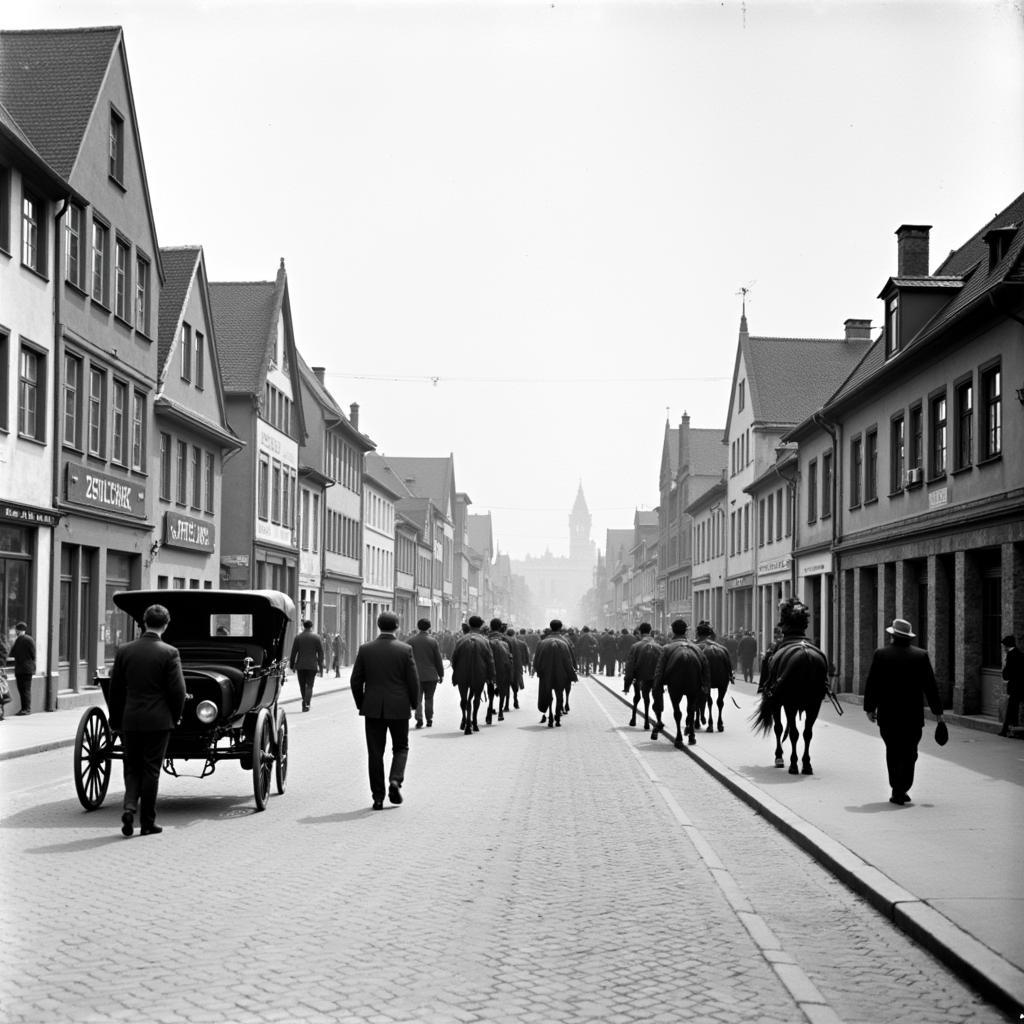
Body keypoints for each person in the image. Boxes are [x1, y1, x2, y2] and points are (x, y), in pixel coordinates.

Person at [106, 604, 187, 837]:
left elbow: (116, 689)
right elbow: (178, 691)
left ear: (143, 622)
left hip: (131, 719)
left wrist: (116, 719)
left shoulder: (124, 650)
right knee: (151, 770)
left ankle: (130, 807)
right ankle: (148, 822)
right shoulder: (169, 652)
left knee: (131, 767)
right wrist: (176, 715)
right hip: (158, 721)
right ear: (166, 624)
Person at [863, 617, 945, 806]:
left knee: (892, 751)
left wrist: (869, 708)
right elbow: (930, 687)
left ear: (892, 635)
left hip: (888, 715)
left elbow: (872, 683)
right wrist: (938, 712)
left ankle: (897, 789)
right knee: (910, 753)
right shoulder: (921, 655)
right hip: (912, 716)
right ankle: (903, 787)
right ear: (908, 637)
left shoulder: (881, 654)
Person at [350, 611, 420, 810]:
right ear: (397, 626)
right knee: (401, 747)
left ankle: (378, 797)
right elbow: (413, 681)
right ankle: (395, 780)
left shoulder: (365, 649)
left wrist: (362, 703)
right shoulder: (405, 650)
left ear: (378, 625)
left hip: (372, 708)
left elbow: (355, 680)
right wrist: (413, 704)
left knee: (375, 753)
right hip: (398, 707)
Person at [533, 619, 577, 727]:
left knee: (548, 695)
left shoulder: (542, 643)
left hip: (546, 673)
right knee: (559, 695)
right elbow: (569, 660)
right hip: (561, 673)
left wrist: (538, 671)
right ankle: (557, 717)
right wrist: (572, 673)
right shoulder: (566, 642)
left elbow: (536, 660)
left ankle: (550, 716)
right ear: (560, 628)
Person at [409, 618, 444, 728]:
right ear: (429, 627)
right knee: (429, 698)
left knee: (417, 699)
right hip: (431, 675)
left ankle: (419, 718)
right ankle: (429, 719)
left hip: (416, 675)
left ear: (417, 627)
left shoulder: (411, 641)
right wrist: (441, 674)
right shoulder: (433, 641)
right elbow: (438, 659)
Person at [289, 619, 325, 712]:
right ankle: (306, 703)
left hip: (300, 665)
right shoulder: (316, 637)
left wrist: (292, 665)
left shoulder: (298, 637)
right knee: (309, 685)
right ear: (311, 626)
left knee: (302, 685)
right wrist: (320, 666)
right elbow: (320, 653)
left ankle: (304, 701)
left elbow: (293, 652)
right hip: (312, 665)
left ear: (303, 626)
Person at [999, 635, 1023, 737]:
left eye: (1004, 646)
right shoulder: (1020, 654)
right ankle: (1012, 730)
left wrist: (1005, 665)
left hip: (1015, 687)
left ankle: (1005, 731)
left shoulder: (1010, 655)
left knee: (1011, 710)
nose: (1003, 648)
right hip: (1021, 686)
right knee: (1014, 709)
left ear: (1006, 646)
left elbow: (1006, 675)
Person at [10, 622, 36, 715]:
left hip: (22, 669)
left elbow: (12, 653)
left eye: (17, 630)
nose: (16, 631)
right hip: (26, 669)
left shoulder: (19, 640)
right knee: (25, 690)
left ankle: (26, 709)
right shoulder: (29, 639)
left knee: (23, 690)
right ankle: (25, 709)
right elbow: (33, 654)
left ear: (18, 630)